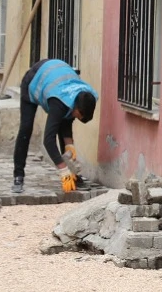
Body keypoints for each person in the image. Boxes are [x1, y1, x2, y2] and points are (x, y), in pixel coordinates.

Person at [12, 58, 99, 194]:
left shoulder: (85, 96)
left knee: (64, 122)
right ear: (76, 108)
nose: (76, 118)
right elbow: (48, 140)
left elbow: (67, 121)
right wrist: (63, 169)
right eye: (77, 116)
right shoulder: (59, 102)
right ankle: (18, 175)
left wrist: (69, 147)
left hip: (56, 77)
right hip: (33, 80)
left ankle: (73, 175)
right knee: (26, 128)